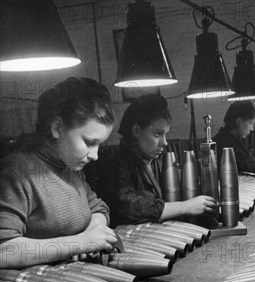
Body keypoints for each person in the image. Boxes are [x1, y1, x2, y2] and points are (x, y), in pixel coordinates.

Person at [0, 77, 119, 269]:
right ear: (57, 127)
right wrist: (80, 243)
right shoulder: (17, 171)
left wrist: (95, 231)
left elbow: (98, 208)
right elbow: (4, 250)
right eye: (89, 142)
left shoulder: (70, 168)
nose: (95, 155)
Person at [95, 94, 218, 226]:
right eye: (158, 134)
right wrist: (184, 207)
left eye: (166, 134)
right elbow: (128, 206)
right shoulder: (115, 164)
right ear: (136, 130)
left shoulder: (157, 161)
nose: (164, 143)